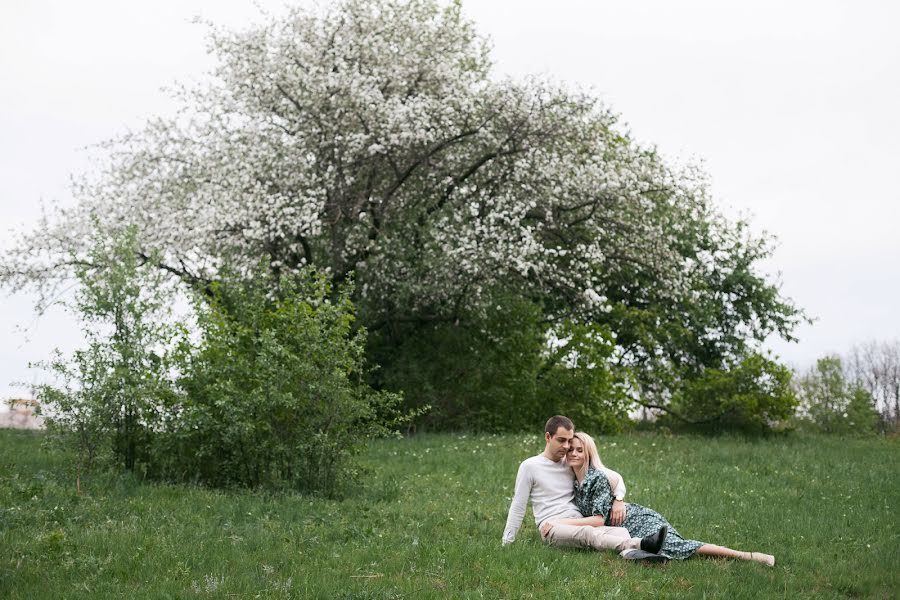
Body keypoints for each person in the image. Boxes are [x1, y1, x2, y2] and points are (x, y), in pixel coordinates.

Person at [564, 431, 776, 567]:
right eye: (571, 450)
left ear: (588, 454)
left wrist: (559, 523)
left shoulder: (596, 478)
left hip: (637, 520)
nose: (573, 453)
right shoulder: (574, 480)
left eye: (579, 450)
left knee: (680, 546)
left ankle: (749, 556)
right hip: (620, 529)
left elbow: (599, 520)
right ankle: (650, 559)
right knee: (645, 551)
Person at [502, 415, 669, 562]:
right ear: (548, 437)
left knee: (620, 531)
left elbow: (613, 476)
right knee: (588, 533)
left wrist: (619, 499)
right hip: (551, 526)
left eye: (569, 440)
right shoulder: (530, 466)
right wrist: (507, 542)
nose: (567, 446)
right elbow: (518, 506)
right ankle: (642, 544)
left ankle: (635, 556)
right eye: (561, 440)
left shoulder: (569, 463)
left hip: (577, 519)